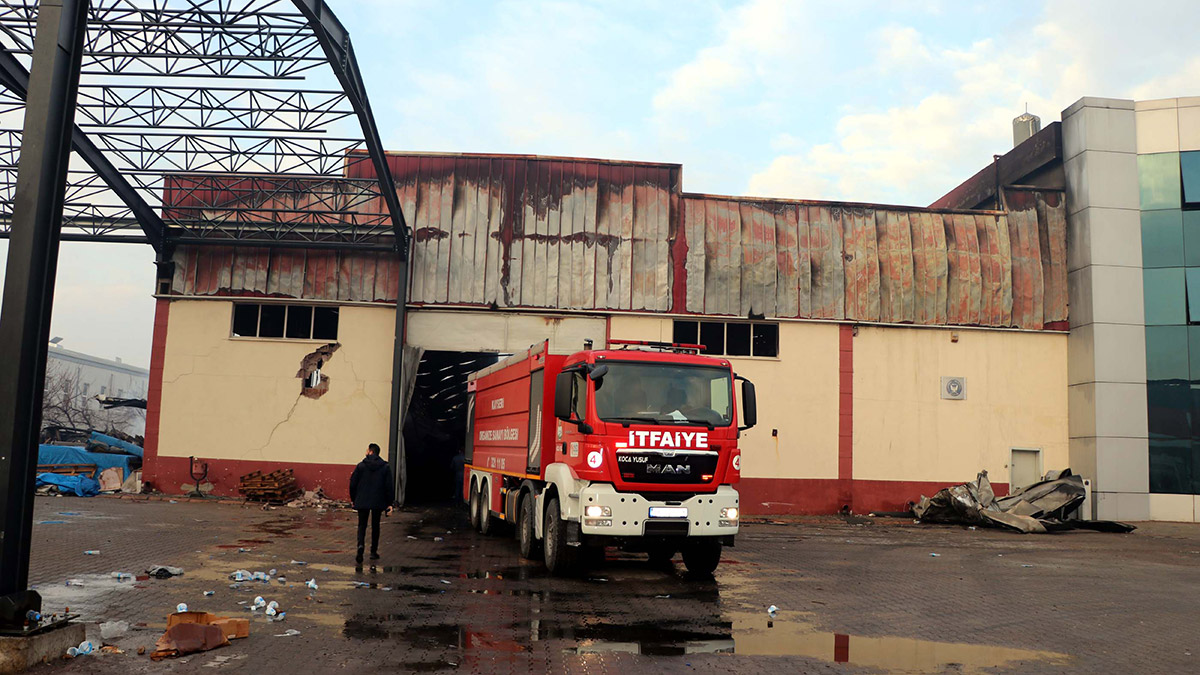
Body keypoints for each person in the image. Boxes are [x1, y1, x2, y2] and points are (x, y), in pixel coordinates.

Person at [349, 442, 394, 564]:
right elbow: (388, 486)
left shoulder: (361, 466)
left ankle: (360, 546)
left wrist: (354, 499)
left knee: (362, 525)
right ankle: (373, 552)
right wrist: (390, 503)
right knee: (375, 526)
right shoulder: (385, 467)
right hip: (378, 501)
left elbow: (352, 484)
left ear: (370, 452)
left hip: (362, 500)